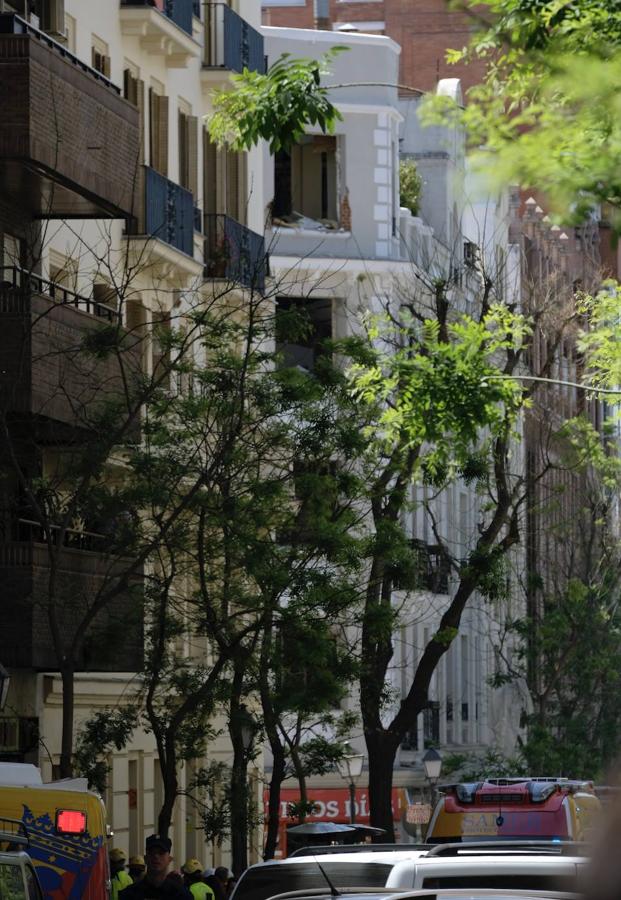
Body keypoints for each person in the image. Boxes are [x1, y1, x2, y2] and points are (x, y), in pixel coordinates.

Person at [119, 835, 192, 900]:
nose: (156, 856)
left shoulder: (181, 895)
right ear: (145, 858)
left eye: (161, 853)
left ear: (169, 859)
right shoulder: (129, 895)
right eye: (152, 852)